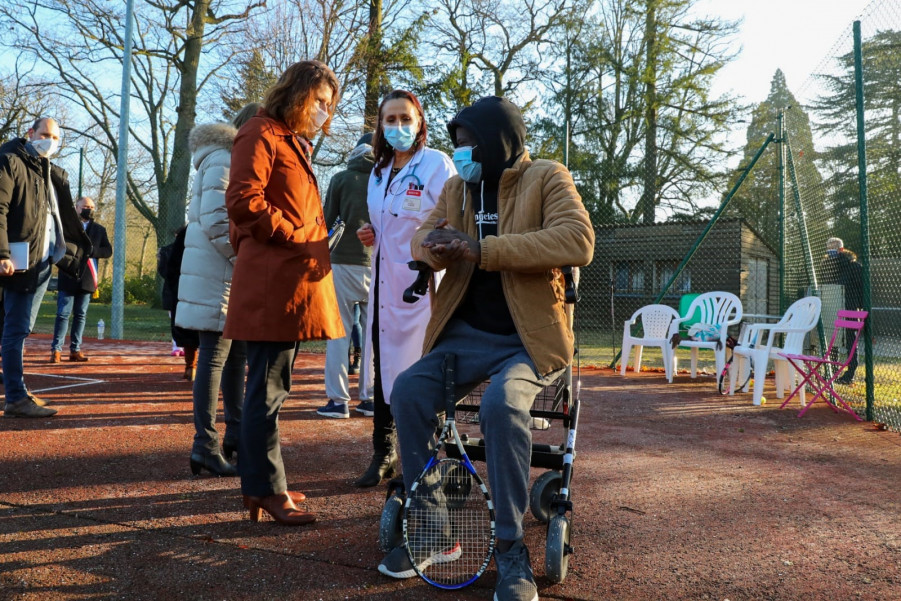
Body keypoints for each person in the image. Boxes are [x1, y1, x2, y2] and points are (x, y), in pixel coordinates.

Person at [376, 96, 595, 601]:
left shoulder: (547, 177)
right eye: (457, 144)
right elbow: (419, 238)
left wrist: (482, 249)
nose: (462, 154)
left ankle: (511, 549)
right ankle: (434, 529)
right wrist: (436, 246)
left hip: (528, 337)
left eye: (469, 143)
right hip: (465, 334)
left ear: (499, 140)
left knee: (502, 404)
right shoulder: (458, 187)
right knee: (407, 392)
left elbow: (577, 240)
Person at [225, 60, 344, 526]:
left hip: (289, 281)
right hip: (273, 284)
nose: (324, 112)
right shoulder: (260, 132)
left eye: (329, 105)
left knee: (272, 388)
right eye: (319, 101)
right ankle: (264, 489)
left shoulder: (289, 139)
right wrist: (295, 234)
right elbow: (243, 200)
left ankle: (267, 484)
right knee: (267, 390)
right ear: (297, 95)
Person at [353, 90, 455, 487]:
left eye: (405, 118)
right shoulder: (379, 170)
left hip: (420, 283)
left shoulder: (436, 164)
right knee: (384, 367)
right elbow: (384, 223)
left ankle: (425, 459)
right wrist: (370, 232)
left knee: (420, 371)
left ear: (419, 122)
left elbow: (452, 217)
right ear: (380, 126)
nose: (398, 126)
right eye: (390, 120)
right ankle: (384, 451)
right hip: (383, 284)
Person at [176, 103, 259, 478]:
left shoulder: (227, 158)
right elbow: (216, 220)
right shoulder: (225, 158)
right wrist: (246, 259)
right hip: (219, 273)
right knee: (214, 356)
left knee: (234, 354)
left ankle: (234, 436)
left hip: (225, 274)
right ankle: (205, 445)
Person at [0, 117, 92, 418]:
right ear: (31, 133)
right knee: (16, 328)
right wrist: (2, 254)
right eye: (45, 134)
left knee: (20, 328)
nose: (50, 141)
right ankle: (15, 398)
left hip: (42, 263)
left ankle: (18, 391)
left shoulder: (48, 171)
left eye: (55, 137)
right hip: (19, 262)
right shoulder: (12, 162)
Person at [317, 133, 375, 419]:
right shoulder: (387, 177)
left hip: (342, 263)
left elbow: (328, 220)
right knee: (373, 334)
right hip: (376, 263)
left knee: (338, 332)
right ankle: (370, 397)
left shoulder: (341, 178)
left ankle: (338, 401)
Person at [50, 195, 112, 363]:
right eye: (85, 207)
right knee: (63, 314)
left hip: (87, 278)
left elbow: (108, 251)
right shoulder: (67, 227)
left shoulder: (99, 230)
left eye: (91, 207)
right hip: (68, 276)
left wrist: (93, 252)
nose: (88, 210)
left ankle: (75, 350)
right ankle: (56, 350)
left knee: (80, 315)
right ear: (76, 208)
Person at [820, 236, 863, 384]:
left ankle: (850, 373)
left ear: (841, 249)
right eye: (828, 248)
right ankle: (831, 370)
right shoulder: (826, 266)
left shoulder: (853, 266)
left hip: (849, 307)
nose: (830, 251)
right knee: (832, 339)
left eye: (834, 248)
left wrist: (860, 306)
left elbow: (861, 288)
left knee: (851, 340)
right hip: (832, 306)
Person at [158, 225, 199, 380]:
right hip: (212, 289)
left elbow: (172, 269)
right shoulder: (220, 229)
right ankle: (201, 368)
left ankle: (191, 366)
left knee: (189, 330)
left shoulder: (185, 236)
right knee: (213, 336)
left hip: (186, 290)